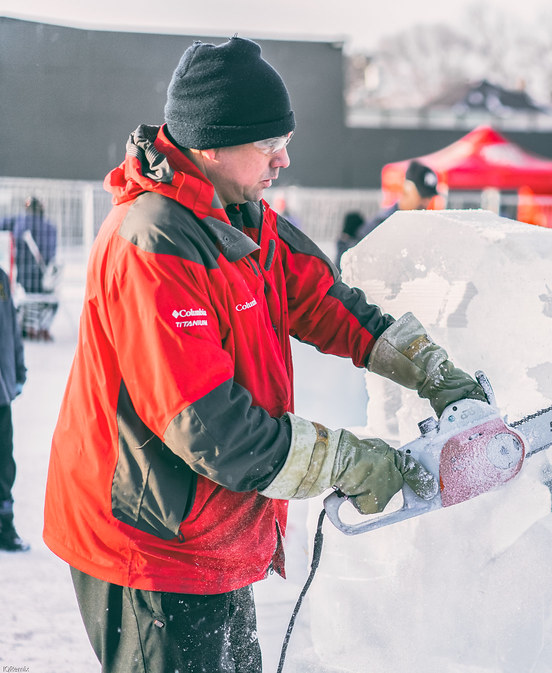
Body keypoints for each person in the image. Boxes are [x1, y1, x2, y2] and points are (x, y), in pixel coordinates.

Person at [42, 37, 487, 673]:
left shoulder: (244, 219)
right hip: (150, 548)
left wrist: (434, 373)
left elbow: (331, 304)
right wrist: (350, 462)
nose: (285, 157)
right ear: (211, 144)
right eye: (268, 143)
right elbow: (210, 428)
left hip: (214, 530)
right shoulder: (154, 244)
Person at [0, 196, 59, 341]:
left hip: (23, 279)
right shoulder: (50, 228)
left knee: (20, 298)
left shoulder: (18, 221)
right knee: (48, 299)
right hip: (42, 281)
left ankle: (26, 326)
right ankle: (41, 327)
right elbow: (52, 254)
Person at [0, 267, 28, 552]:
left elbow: (9, 324)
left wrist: (18, 368)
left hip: (1, 395)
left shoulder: (0, 278)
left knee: (4, 465)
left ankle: (5, 526)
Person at [356, 159, 439, 241]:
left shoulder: (428, 225)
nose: (426, 202)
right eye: (423, 196)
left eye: (429, 197)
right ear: (406, 190)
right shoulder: (381, 225)